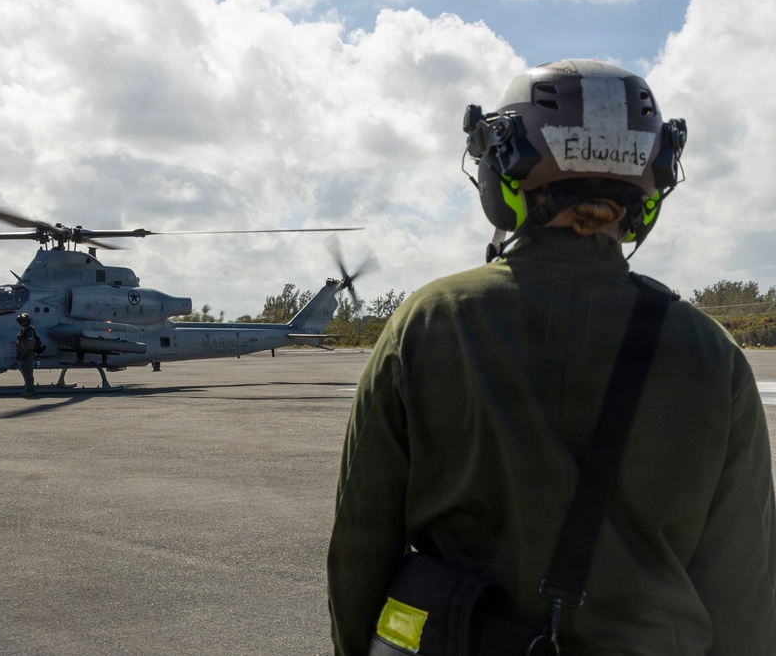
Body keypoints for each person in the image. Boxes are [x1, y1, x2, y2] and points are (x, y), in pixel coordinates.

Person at [327, 59, 776, 655]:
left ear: (502, 171)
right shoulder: (713, 354)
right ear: (653, 180)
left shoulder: (427, 323)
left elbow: (360, 547)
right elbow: (744, 596)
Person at [15, 312, 38, 396]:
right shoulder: (24, 330)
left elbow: (29, 343)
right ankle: (29, 389)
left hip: (27, 354)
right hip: (24, 353)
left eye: (24, 321)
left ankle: (30, 390)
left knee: (28, 373)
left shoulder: (29, 331)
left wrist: (24, 353)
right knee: (26, 372)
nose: (23, 322)